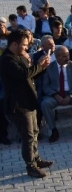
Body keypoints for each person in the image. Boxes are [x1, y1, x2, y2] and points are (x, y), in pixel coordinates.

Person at [0, 30, 52, 177]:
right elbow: (24, 75)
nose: (26, 48)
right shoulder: (7, 60)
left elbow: (31, 74)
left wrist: (42, 67)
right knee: (28, 137)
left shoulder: (19, 56)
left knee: (35, 132)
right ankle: (30, 166)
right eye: (23, 45)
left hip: (29, 101)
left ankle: (36, 159)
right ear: (14, 44)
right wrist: (39, 65)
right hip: (18, 105)